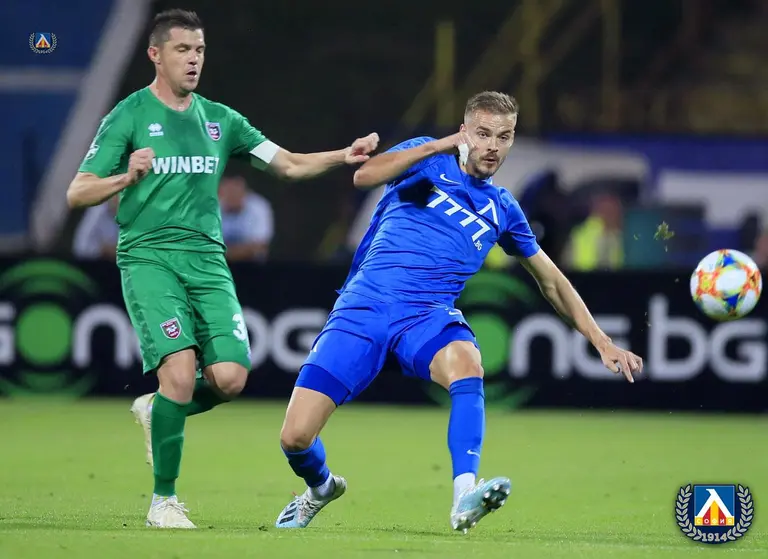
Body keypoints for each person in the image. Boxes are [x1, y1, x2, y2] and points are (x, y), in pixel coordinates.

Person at [274, 91, 643, 533]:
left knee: (468, 363)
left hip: (426, 317)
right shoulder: (427, 157)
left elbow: (552, 281)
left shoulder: (503, 209)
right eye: (483, 134)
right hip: (363, 309)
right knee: (295, 437)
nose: (492, 146)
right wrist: (437, 145)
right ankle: (321, 487)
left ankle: (464, 496)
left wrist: (601, 341)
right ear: (464, 131)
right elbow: (363, 176)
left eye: (503, 137)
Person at [66, 8, 378, 529]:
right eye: (182, 50)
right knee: (179, 374)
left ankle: (159, 410)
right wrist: (124, 178)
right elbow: (78, 192)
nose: (193, 59)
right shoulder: (129, 115)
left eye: (200, 50)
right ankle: (163, 502)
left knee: (230, 378)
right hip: (149, 257)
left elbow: (287, 163)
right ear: (155, 54)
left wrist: (344, 155)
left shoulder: (220, 120)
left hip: (208, 260)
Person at [218, 174, 274, 262]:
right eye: (227, 191)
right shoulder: (211, 206)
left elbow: (260, 246)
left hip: (251, 264)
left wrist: (221, 252)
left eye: (235, 191)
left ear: (245, 191)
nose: (231, 195)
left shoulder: (259, 206)